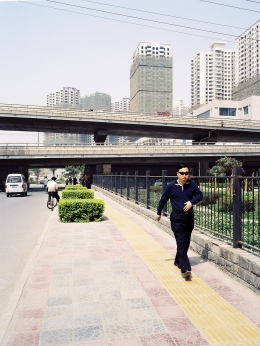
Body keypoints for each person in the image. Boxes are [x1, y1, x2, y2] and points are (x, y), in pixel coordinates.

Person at [156, 164, 203, 279]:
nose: (184, 176)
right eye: (182, 173)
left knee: (186, 242)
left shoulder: (191, 184)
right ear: (177, 173)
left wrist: (192, 202)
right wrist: (158, 212)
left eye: (186, 173)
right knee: (181, 242)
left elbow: (200, 195)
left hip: (189, 218)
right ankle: (185, 268)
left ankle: (178, 260)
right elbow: (163, 200)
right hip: (177, 218)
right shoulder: (171, 186)